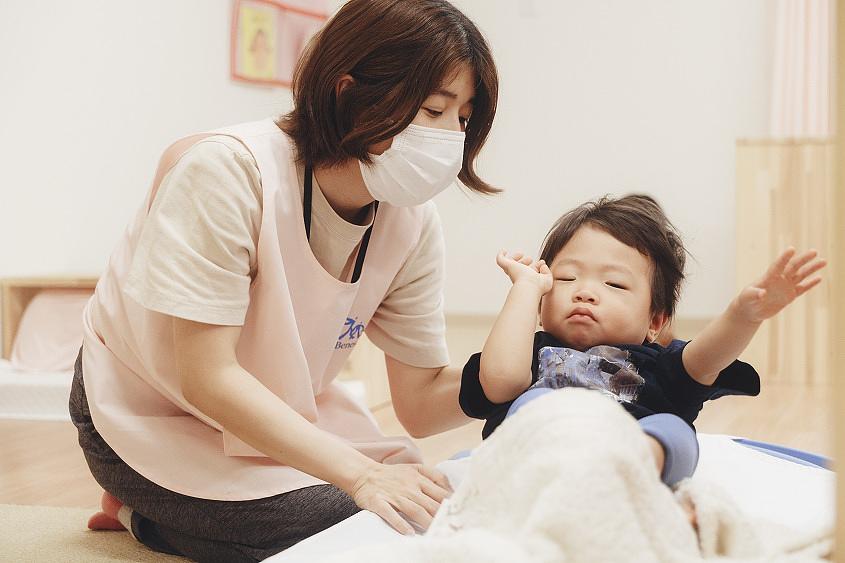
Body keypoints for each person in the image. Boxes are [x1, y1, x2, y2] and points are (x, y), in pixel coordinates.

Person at [69, 1, 499, 560]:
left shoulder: (411, 220)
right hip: (146, 410)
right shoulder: (227, 171)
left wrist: (523, 366)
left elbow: (419, 403)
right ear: (348, 92)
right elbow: (206, 377)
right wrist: (360, 477)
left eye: (463, 118)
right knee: (336, 522)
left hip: (277, 410)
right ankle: (138, 512)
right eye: (431, 109)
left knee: (422, 510)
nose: (450, 138)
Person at [459, 194, 826, 487]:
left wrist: (744, 315)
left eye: (614, 284)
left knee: (674, 431)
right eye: (567, 278)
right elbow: (501, 381)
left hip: (626, 469)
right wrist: (525, 289)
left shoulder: (657, 365)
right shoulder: (529, 354)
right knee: (537, 403)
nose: (585, 292)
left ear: (655, 321)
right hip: (535, 472)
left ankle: (633, 468)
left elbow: (706, 358)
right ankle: (573, 468)